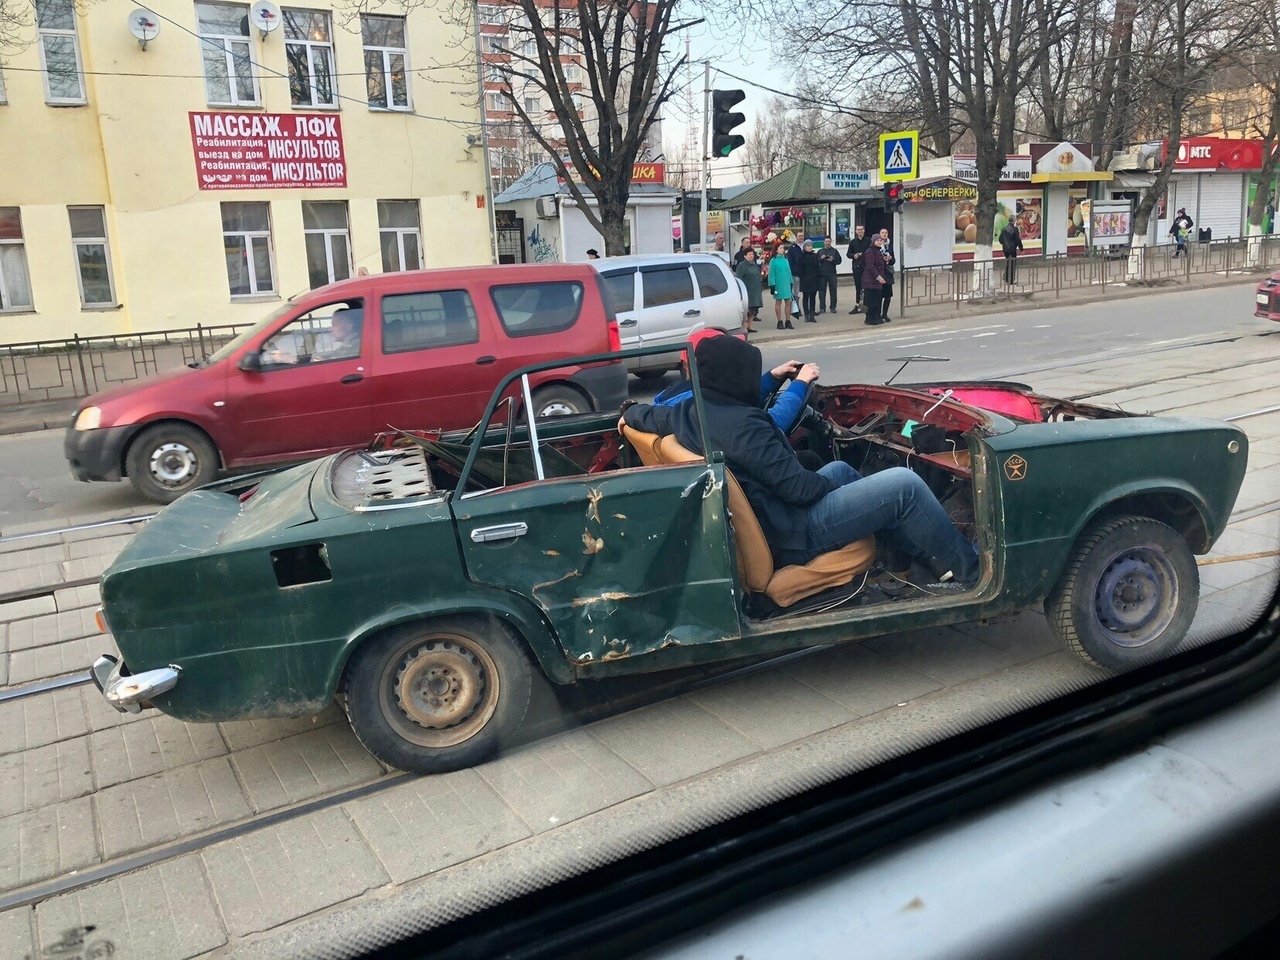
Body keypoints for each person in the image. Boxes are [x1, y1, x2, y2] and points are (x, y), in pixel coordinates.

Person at [621, 335, 978, 590]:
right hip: (792, 531)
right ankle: (973, 572)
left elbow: (643, 416)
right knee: (903, 485)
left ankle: (916, 555)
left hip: (770, 517)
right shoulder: (744, 426)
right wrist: (829, 487)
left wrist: (628, 413)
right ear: (735, 379)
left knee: (840, 470)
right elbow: (800, 489)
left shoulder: (687, 410)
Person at [654, 330, 819, 434]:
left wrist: (772, 377)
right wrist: (799, 385)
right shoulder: (701, 405)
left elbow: (737, 398)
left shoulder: (679, 395)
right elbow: (769, 428)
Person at [735, 248, 763, 334]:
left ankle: (750, 326)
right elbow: (738, 278)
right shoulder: (742, 265)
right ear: (745, 256)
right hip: (747, 291)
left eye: (752, 254)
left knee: (753, 310)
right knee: (746, 309)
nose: (751, 256)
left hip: (755, 291)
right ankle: (744, 327)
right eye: (749, 254)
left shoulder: (754, 265)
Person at [861, 235, 888, 326]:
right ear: (873, 241)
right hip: (870, 280)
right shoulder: (870, 251)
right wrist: (878, 277)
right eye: (877, 240)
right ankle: (870, 318)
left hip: (876, 281)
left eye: (880, 240)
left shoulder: (878, 251)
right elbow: (870, 266)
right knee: (871, 301)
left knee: (877, 300)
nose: (879, 242)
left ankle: (876, 317)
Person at [769, 241, 795, 330]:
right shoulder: (774, 260)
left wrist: (791, 282)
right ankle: (779, 321)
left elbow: (789, 272)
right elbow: (771, 273)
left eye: (783, 248)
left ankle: (788, 320)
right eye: (780, 248)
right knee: (778, 302)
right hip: (778, 284)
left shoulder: (785, 259)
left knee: (788, 302)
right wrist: (772, 285)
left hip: (786, 283)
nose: (782, 249)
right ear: (776, 250)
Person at [846, 226, 872, 314]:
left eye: (861, 229)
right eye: (858, 230)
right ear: (856, 231)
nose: (860, 231)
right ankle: (858, 305)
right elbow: (848, 254)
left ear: (864, 230)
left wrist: (862, 254)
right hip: (857, 267)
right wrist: (854, 255)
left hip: (867, 267)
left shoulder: (869, 240)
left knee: (867, 286)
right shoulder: (853, 242)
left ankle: (867, 305)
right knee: (858, 287)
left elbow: (871, 251)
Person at [797, 240, 822, 323]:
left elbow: (817, 266)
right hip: (805, 280)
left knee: (813, 297)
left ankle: (812, 314)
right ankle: (806, 315)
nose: (810, 247)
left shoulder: (815, 256)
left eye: (811, 246)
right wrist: (803, 277)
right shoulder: (801, 256)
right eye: (808, 246)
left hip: (814, 280)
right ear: (804, 247)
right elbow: (799, 269)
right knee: (806, 297)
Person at [817, 237, 842, 313]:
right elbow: (816, 262)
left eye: (829, 241)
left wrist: (832, 260)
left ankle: (833, 307)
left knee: (833, 291)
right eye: (826, 241)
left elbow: (839, 261)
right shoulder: (820, 251)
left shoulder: (834, 251)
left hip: (832, 274)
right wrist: (821, 259)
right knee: (821, 292)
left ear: (831, 242)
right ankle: (822, 308)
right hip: (822, 274)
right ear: (824, 242)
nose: (827, 242)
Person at [878, 228, 896, 323]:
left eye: (886, 232)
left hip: (888, 273)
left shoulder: (889, 245)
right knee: (879, 295)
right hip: (880, 273)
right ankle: (878, 314)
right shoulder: (877, 245)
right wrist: (882, 259)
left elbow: (894, 260)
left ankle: (885, 314)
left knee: (888, 295)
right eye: (882, 233)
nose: (884, 234)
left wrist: (890, 259)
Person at [999, 220, 1023, 285]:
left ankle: (1006, 277)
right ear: (1014, 221)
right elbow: (1017, 239)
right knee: (1012, 264)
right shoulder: (1014, 229)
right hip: (1012, 249)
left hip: (1005, 250)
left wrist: (1004, 244)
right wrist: (1021, 248)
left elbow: (1000, 239)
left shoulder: (1004, 229)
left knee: (1008, 262)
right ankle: (1011, 280)